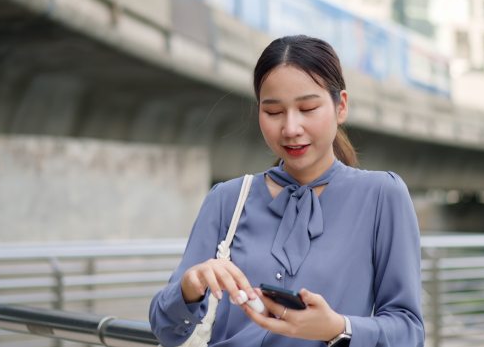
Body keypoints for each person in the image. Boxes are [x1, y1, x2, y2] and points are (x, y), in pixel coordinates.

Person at [149, 35, 424, 347]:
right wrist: (190, 286)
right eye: (274, 112)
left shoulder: (382, 196)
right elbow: (166, 329)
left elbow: (409, 331)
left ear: (341, 106)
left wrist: (337, 328)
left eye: (307, 108)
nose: (291, 128)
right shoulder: (227, 199)